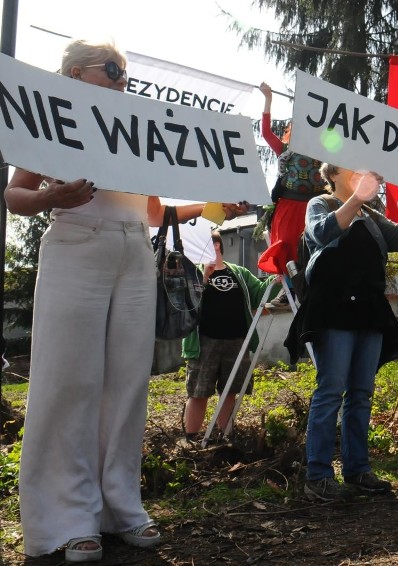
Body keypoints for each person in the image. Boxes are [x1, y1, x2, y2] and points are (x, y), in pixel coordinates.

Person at [4, 39, 248, 562]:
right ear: (73, 73)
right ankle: (67, 520)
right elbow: (14, 194)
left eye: (125, 73)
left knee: (127, 381)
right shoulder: (50, 115)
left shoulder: (136, 131)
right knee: (71, 381)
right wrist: (51, 197)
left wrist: (211, 206)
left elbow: (154, 213)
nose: (121, 80)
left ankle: (119, 507)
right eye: (111, 69)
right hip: (75, 245)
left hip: (135, 255)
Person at [285, 165, 398, 501]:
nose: (360, 172)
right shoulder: (319, 205)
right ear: (333, 174)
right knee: (331, 390)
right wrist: (356, 198)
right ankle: (318, 476)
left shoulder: (370, 214)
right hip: (333, 308)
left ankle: (357, 470)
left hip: (369, 309)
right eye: (352, 169)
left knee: (361, 393)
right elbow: (320, 233)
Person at [181, 232, 281, 444]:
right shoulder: (195, 272)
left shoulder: (240, 273)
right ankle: (191, 439)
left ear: (216, 246)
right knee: (199, 391)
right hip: (204, 342)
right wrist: (205, 278)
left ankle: (225, 435)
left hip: (237, 341)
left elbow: (261, 294)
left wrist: (276, 281)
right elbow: (186, 301)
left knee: (230, 390)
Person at [256, 82, 326, 308]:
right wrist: (268, 99)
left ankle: (313, 290)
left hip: (313, 207)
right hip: (288, 205)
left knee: (314, 247)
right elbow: (266, 133)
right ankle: (289, 291)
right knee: (286, 246)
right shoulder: (286, 152)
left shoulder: (324, 153)